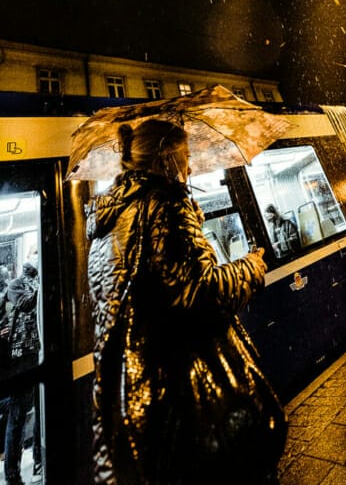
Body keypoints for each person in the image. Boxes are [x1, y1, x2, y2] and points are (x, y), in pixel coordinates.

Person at [85, 119, 287, 485]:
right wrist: (251, 267)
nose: (190, 167)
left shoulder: (106, 224)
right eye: (185, 156)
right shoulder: (165, 203)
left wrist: (189, 231)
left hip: (135, 410)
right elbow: (199, 295)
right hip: (188, 408)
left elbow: (151, 296)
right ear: (166, 160)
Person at [4, 256, 42, 485]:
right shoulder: (16, 284)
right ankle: (11, 472)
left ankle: (39, 459)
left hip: (38, 353)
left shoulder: (38, 282)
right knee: (17, 415)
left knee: (39, 413)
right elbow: (26, 304)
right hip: (22, 358)